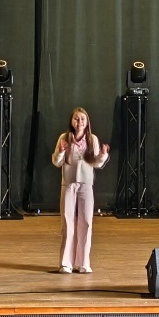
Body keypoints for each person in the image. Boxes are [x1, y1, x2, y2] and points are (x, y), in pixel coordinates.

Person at [52, 107, 109, 274]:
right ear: (71, 121)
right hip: (68, 184)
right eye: (76, 119)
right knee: (67, 222)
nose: (79, 122)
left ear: (87, 121)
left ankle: (83, 262)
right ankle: (66, 264)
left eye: (82, 119)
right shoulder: (64, 138)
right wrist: (61, 152)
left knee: (86, 223)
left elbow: (96, 163)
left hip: (86, 184)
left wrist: (103, 155)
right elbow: (56, 162)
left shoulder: (92, 139)